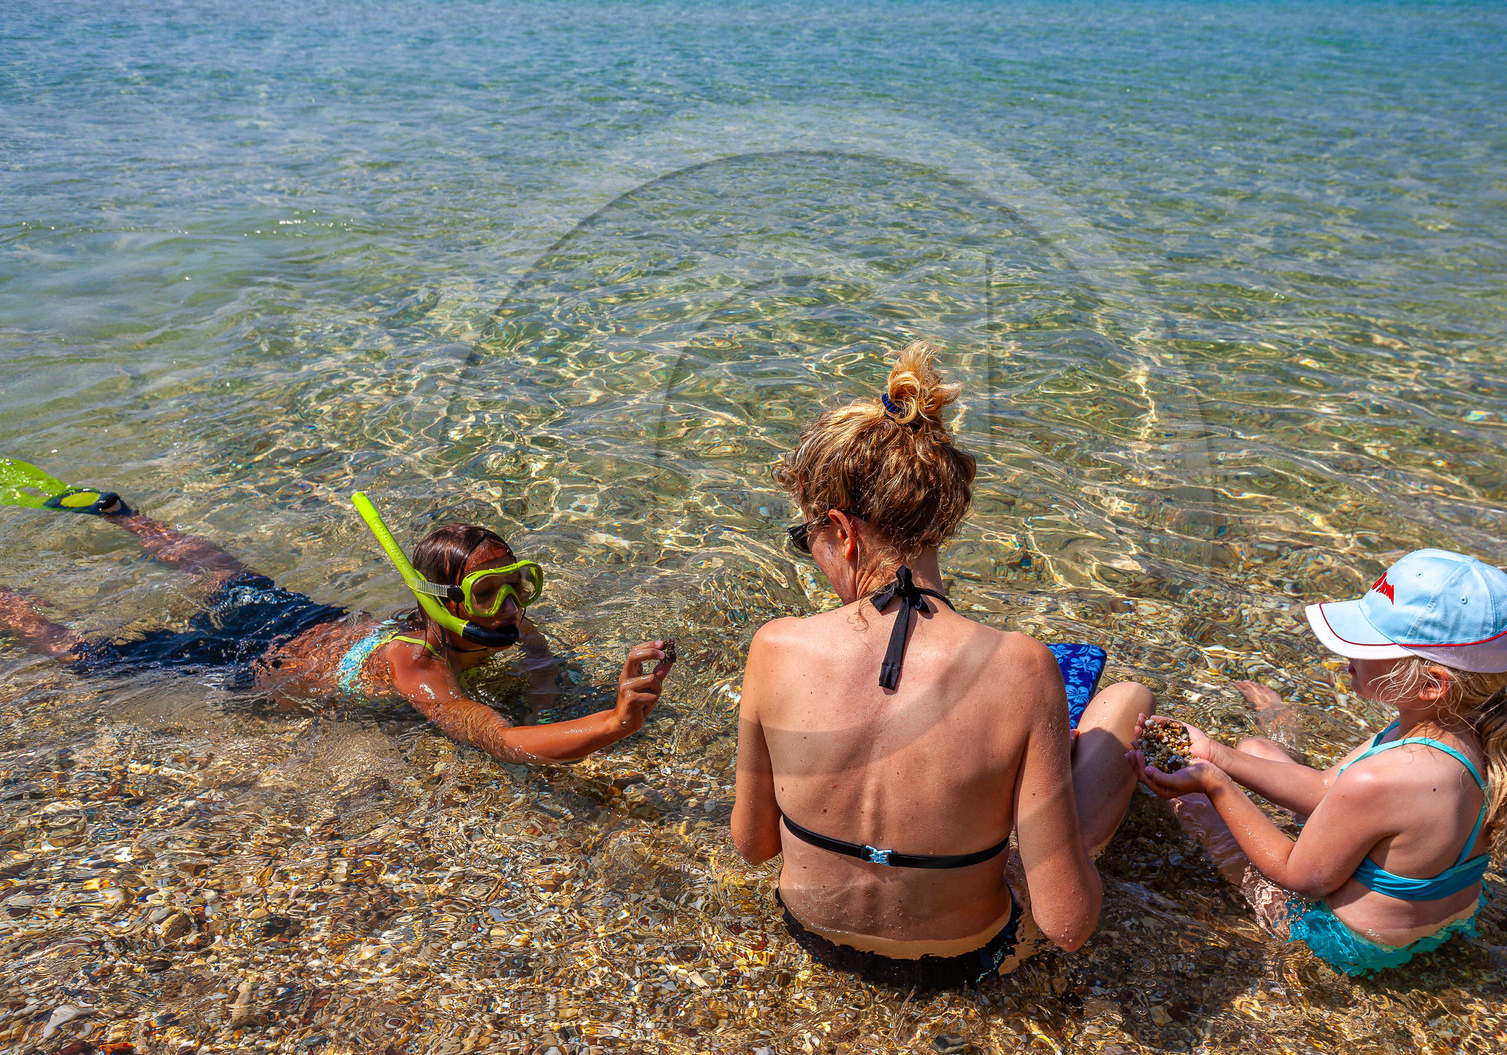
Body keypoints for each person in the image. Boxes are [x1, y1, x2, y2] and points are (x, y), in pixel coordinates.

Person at [730, 344, 1153, 989]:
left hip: (810, 933)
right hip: (962, 961)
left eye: (804, 538)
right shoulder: (1020, 666)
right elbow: (1069, 925)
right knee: (1126, 701)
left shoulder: (774, 646)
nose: (809, 552)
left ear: (843, 531)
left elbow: (755, 844)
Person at [0, 463, 671, 764]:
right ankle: (13, 611)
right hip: (250, 667)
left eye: (520, 582)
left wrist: (548, 693)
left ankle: (117, 511)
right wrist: (612, 720)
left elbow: (539, 655)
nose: (515, 605)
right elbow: (501, 739)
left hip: (307, 620)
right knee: (90, 659)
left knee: (222, 571)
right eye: (493, 589)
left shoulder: (505, 617)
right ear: (441, 599)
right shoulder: (417, 663)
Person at [1129, 549, 1507, 976]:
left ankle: (1226, 768)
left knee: (1193, 803)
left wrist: (1216, 784)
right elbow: (1323, 789)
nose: (1346, 653)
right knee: (1254, 748)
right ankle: (1260, 734)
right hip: (1441, 920)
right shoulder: (1478, 731)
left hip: (1348, 943)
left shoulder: (1382, 777)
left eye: (1366, 644)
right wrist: (1217, 754)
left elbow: (1298, 877)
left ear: (1431, 684)